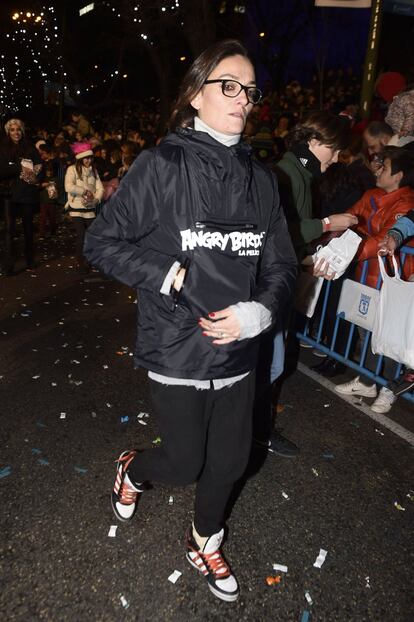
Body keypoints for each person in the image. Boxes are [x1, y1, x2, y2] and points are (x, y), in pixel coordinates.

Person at [83, 39, 297, 602]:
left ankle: (204, 538)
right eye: (228, 84)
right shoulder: (161, 165)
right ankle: (133, 467)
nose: (242, 98)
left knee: (230, 460)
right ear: (196, 94)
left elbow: (280, 263)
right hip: (177, 346)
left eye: (249, 89)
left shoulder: (264, 180)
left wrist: (262, 312)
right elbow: (100, 241)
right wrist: (164, 272)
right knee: (182, 463)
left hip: (239, 351)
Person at [255, 111, 358, 457]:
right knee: (270, 362)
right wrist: (328, 223)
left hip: (279, 278)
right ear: (315, 143)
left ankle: (256, 428)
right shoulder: (288, 174)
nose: (338, 158)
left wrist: (311, 261)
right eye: (336, 150)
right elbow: (283, 233)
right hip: (271, 284)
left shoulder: (299, 173)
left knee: (274, 361)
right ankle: (255, 430)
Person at [334, 147, 414, 413]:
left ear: (399, 175)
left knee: (389, 335)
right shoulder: (373, 195)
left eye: (385, 166)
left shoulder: (405, 200)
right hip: (367, 273)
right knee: (366, 328)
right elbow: (398, 227)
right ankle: (368, 380)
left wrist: (345, 254)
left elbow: (385, 234)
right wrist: (329, 245)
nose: (378, 170)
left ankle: (389, 387)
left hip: (391, 276)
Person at [0, 118, 43, 275]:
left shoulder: (30, 148)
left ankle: (30, 260)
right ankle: (9, 265)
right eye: (12, 130)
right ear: (8, 131)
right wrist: (20, 167)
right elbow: (2, 170)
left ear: (22, 131)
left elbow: (39, 166)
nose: (16, 132)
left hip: (27, 193)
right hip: (9, 195)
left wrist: (34, 174)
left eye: (18, 129)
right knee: (9, 231)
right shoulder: (3, 148)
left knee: (28, 229)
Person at [64, 142, 103, 274]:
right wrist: (84, 191)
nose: (88, 160)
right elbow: (68, 186)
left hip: (90, 208)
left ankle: (89, 259)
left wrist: (96, 199)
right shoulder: (72, 169)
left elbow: (100, 188)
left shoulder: (94, 171)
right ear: (80, 159)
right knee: (81, 234)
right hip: (76, 206)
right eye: (86, 158)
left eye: (90, 158)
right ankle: (80, 261)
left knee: (93, 235)